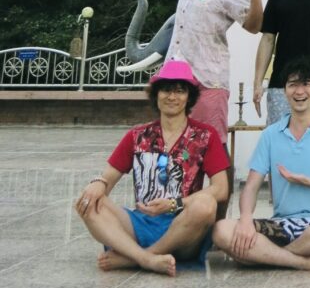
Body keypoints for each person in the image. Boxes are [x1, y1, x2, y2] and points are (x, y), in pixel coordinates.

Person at [74, 60, 229, 276]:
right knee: (87, 201)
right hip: (140, 223)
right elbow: (107, 179)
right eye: (166, 90)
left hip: (183, 226)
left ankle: (136, 257)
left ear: (189, 97)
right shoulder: (137, 136)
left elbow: (221, 189)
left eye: (179, 91)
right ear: (156, 95)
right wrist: (97, 184)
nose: (172, 97)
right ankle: (146, 259)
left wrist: (173, 204)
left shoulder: (205, 135)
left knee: (205, 205)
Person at [213, 57, 310, 271]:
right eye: (293, 85)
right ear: (284, 91)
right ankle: (303, 262)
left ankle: (265, 256)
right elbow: (252, 186)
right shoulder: (271, 134)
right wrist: (246, 219)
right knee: (222, 230)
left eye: (306, 84)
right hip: (281, 226)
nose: (299, 91)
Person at [166, 0, 264, 145]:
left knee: (209, 147)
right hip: (175, 79)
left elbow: (253, 26)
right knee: (175, 146)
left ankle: (217, 183)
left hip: (208, 81)